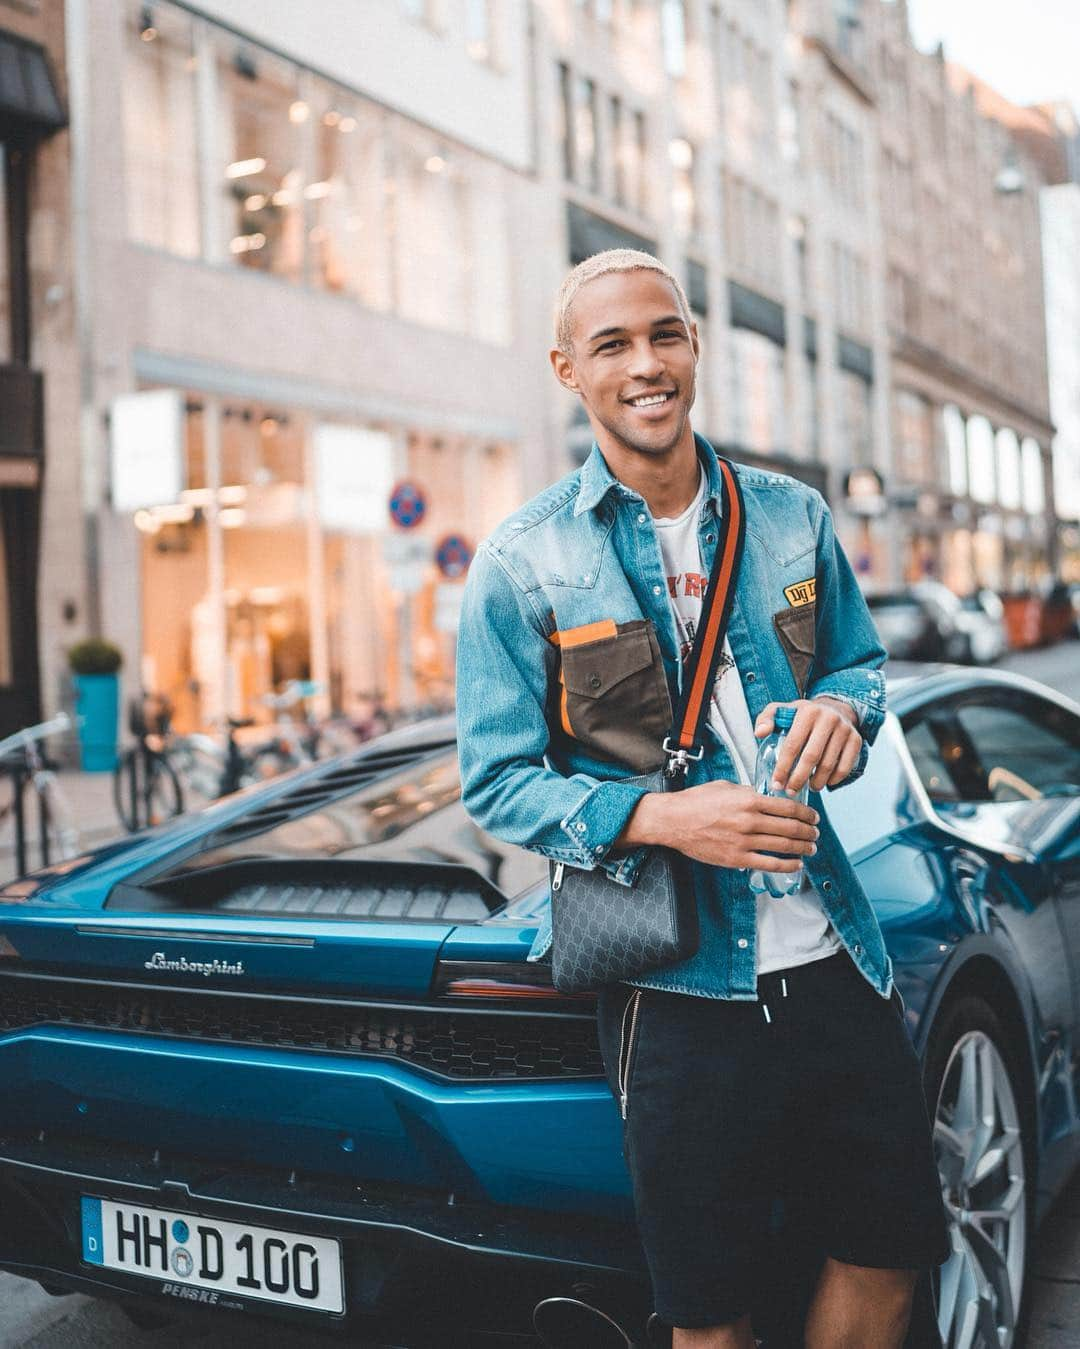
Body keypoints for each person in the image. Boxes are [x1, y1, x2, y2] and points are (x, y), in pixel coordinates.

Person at [455, 249, 950, 1348]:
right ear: (567, 369)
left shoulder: (789, 515)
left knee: (890, 1250)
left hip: (835, 961)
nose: (647, 363)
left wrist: (842, 713)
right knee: (711, 1312)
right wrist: (667, 816)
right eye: (614, 344)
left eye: (665, 334)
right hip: (674, 995)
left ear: (694, 346)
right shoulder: (522, 561)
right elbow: (494, 777)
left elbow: (859, 667)